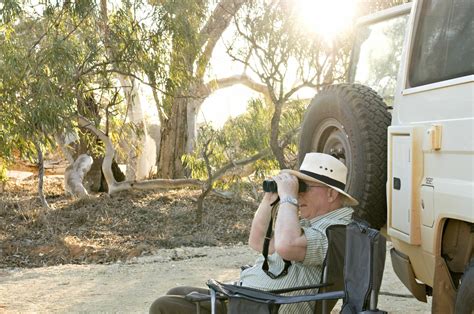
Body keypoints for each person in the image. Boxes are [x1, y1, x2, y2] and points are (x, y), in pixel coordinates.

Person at [149, 153, 358, 314]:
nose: (299, 193)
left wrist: (288, 198)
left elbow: (286, 246)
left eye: (304, 187)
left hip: (265, 307)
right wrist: (270, 198)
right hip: (251, 300)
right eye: (298, 187)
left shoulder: (335, 230)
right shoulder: (314, 222)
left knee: (163, 307)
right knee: (176, 293)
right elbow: (258, 242)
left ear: (331, 193)